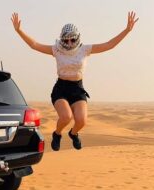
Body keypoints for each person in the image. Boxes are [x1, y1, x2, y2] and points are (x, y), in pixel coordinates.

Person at [11, 12, 139, 151]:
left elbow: (109, 44)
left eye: (72, 39)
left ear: (77, 38)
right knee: (66, 117)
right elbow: (34, 45)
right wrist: (19, 30)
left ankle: (73, 133)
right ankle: (57, 134)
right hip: (61, 88)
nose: (69, 43)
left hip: (77, 88)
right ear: (62, 40)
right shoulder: (56, 50)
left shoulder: (85, 49)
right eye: (66, 40)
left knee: (81, 121)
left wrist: (127, 30)